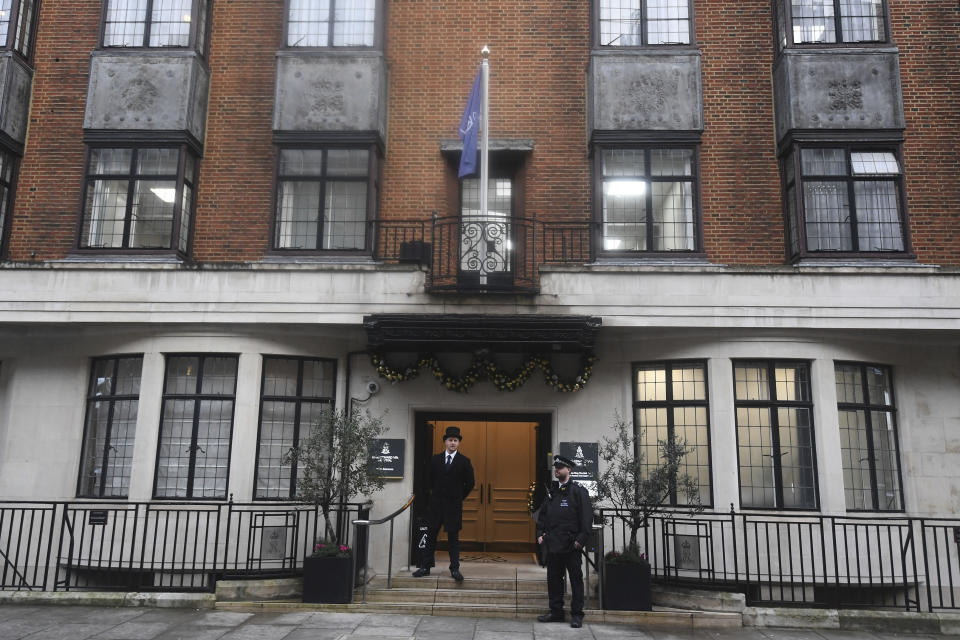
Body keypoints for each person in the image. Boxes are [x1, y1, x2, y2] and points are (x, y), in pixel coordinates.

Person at [536, 454, 593, 628]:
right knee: (554, 579)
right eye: (556, 468)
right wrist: (541, 533)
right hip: (553, 544)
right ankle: (556, 612)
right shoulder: (551, 492)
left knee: (576, 580)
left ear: (568, 470)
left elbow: (586, 518)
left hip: (571, 545)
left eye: (560, 467)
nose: (557, 470)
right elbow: (543, 516)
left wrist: (580, 541)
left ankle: (577, 614)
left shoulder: (578, 492)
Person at [413, 425, 475, 582]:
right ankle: (426, 567)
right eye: (450, 440)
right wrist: (431, 499)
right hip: (436, 506)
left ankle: (455, 569)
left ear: (458, 442)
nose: (453, 443)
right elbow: (427, 481)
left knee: (453, 539)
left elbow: (470, 483)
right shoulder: (435, 459)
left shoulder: (464, 461)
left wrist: (459, 497)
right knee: (431, 536)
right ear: (445, 442)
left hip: (453, 506)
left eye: (455, 440)